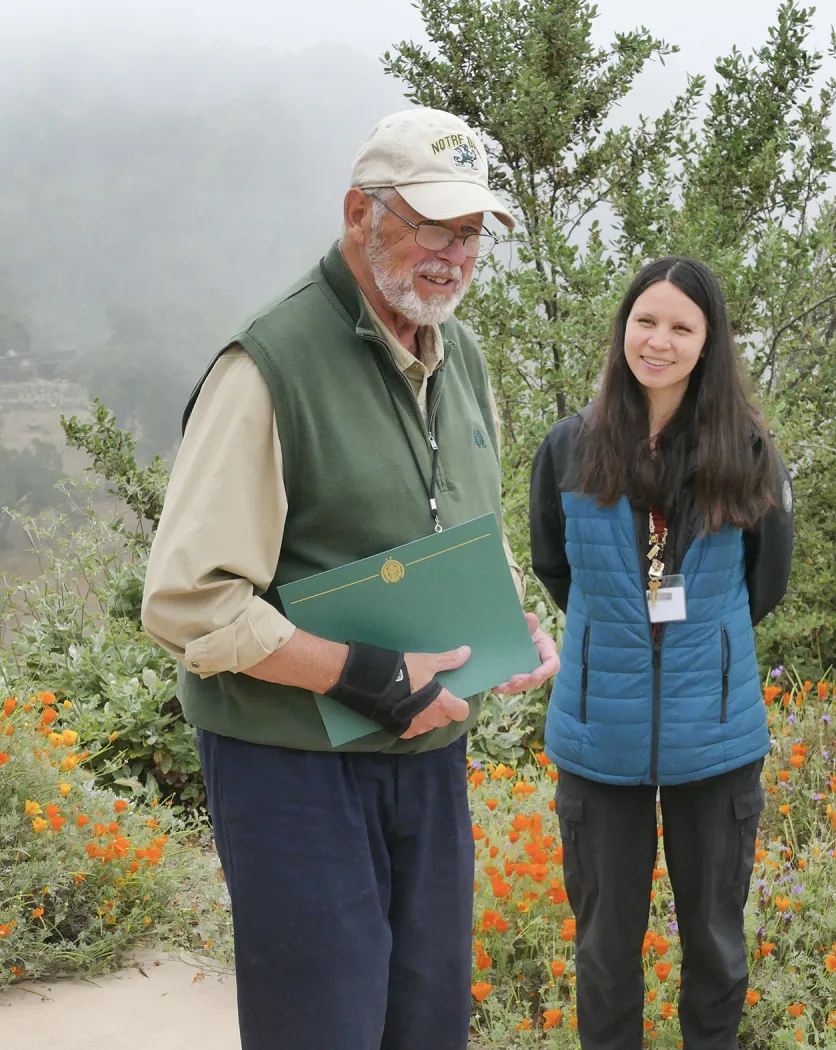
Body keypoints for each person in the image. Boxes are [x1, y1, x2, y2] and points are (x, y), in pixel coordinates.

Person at [141, 108, 560, 1050]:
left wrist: (508, 623)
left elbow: (467, 526)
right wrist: (361, 676)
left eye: (470, 231)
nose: (454, 255)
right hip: (292, 766)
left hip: (428, 758)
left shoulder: (460, 356)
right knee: (321, 1029)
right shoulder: (268, 365)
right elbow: (189, 603)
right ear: (359, 213)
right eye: (432, 225)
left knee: (426, 1027)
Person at [529, 256, 794, 1050]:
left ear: (709, 341)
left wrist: (694, 649)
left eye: (682, 326)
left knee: (714, 943)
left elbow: (764, 583)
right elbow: (556, 566)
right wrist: (617, 639)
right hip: (598, 735)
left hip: (714, 734)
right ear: (623, 329)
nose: (659, 341)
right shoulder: (570, 446)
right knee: (605, 950)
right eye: (645, 321)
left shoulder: (748, 450)